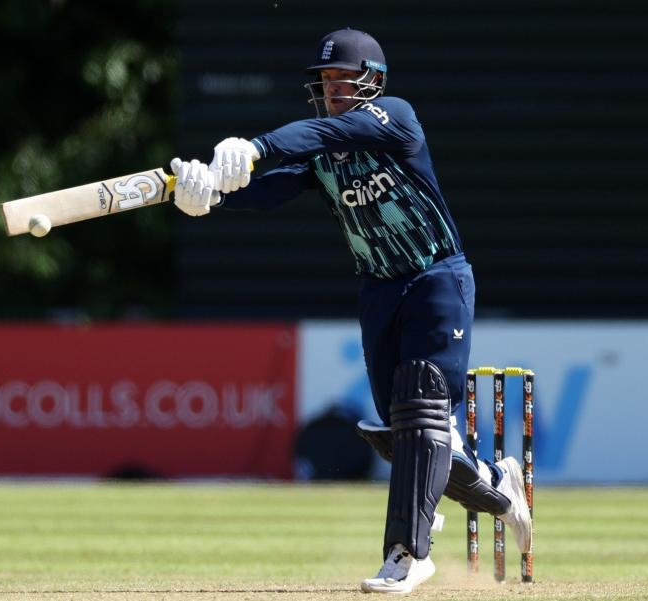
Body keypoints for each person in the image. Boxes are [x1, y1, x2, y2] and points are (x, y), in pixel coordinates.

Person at [169, 28, 531, 595]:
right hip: (379, 292)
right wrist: (208, 189)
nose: (333, 90)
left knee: (422, 400)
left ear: (374, 82)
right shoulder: (322, 158)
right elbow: (268, 189)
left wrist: (256, 147)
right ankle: (501, 490)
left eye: (344, 79)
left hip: (437, 276)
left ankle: (407, 554)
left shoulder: (395, 117)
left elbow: (309, 135)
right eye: (325, 82)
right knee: (403, 434)